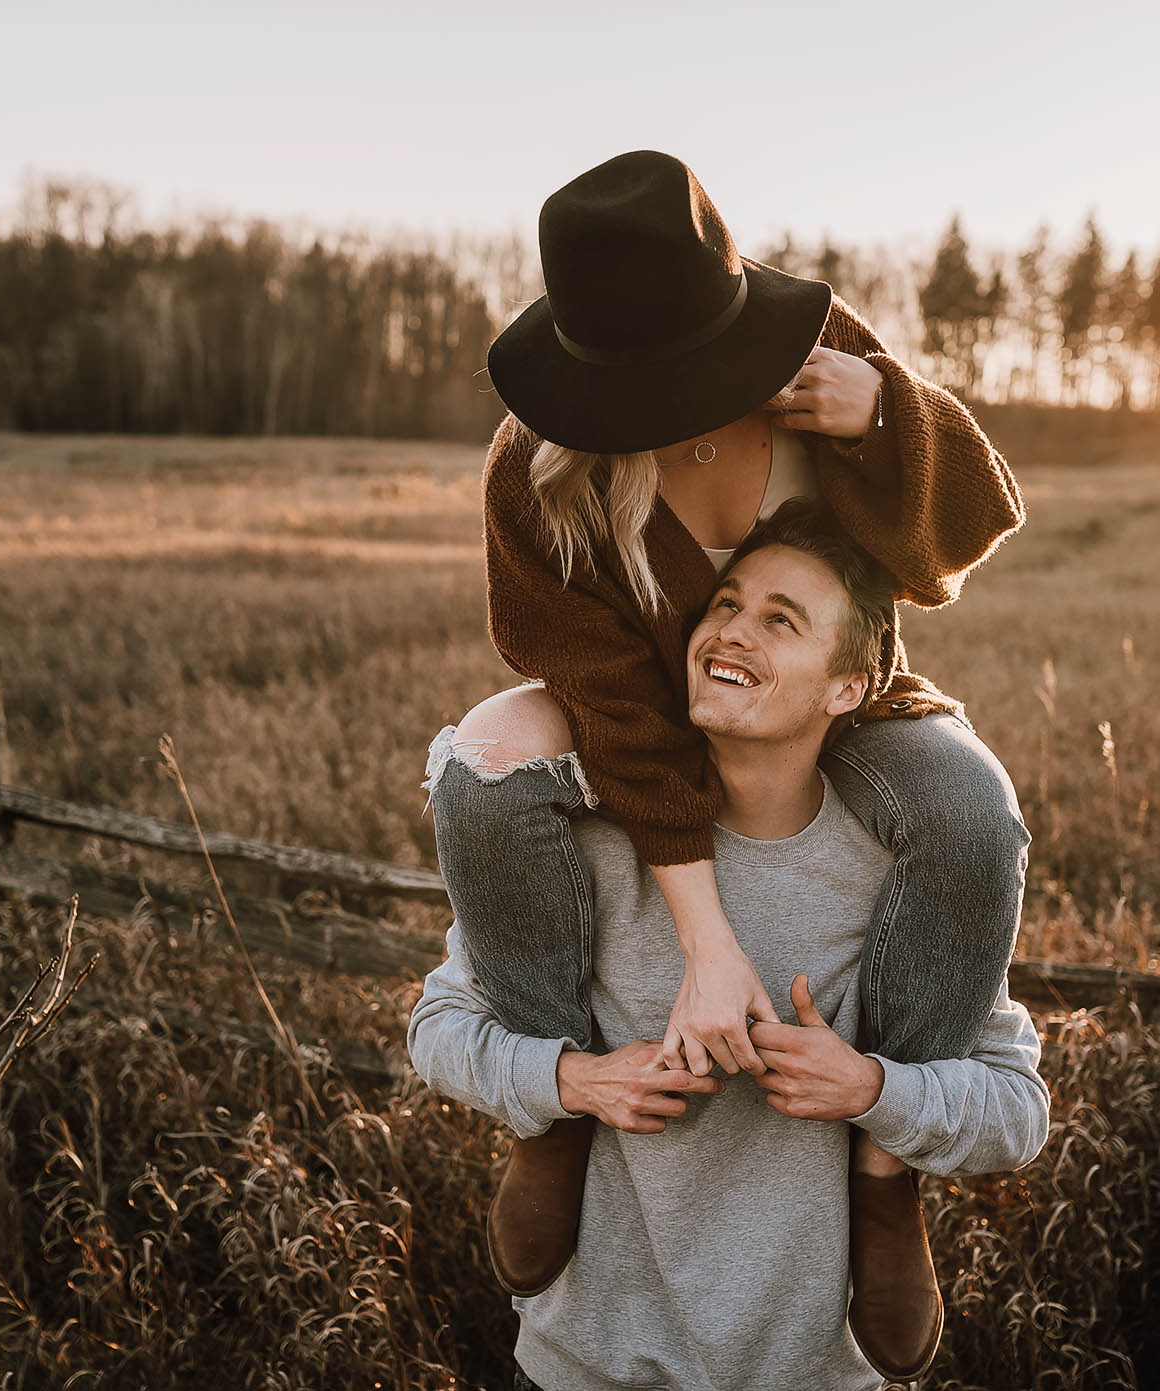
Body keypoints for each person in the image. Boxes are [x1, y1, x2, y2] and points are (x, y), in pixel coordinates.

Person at [424, 149, 1029, 1369]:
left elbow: (966, 526)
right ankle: (554, 1106)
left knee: (968, 808)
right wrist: (703, 943)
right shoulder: (535, 470)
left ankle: (884, 1170)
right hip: (635, 723)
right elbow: (604, 696)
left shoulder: (812, 352)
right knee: (481, 763)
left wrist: (886, 416)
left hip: (837, 711)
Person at [410, 506, 1050, 1388]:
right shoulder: (586, 845)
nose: (732, 630)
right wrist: (574, 1082)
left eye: (781, 620)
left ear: (848, 688)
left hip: (811, 1372)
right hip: (584, 1363)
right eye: (725, 603)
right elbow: (438, 1026)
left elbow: (1017, 1111)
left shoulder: (901, 874)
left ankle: (885, 1181)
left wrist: (872, 1088)